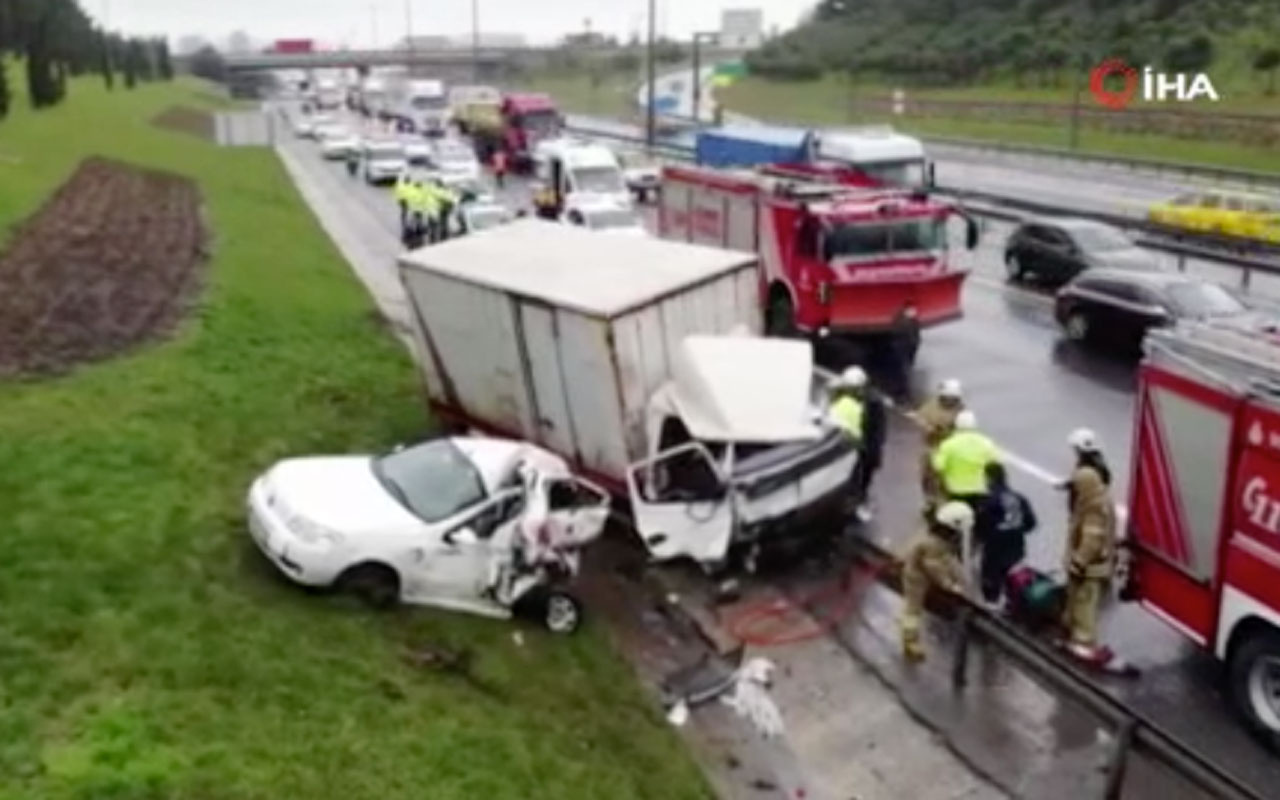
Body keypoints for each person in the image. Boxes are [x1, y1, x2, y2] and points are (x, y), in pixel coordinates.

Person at [900, 501, 972, 663]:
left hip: (921, 573)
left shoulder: (937, 539)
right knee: (913, 609)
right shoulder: (933, 545)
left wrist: (960, 578)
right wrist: (949, 585)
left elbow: (947, 559)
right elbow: (935, 567)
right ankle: (910, 641)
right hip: (916, 578)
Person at [1061, 465, 1118, 660]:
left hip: (1090, 567)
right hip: (1092, 566)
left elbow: (1091, 541)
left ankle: (1084, 642)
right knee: (1079, 603)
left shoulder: (1093, 508)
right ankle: (1076, 636)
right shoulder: (1097, 500)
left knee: (1084, 604)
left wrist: (1077, 563)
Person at [976, 462, 1037, 608]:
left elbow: (980, 527)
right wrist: (1016, 531)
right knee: (1015, 581)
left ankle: (992, 609)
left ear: (988, 479)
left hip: (995, 551)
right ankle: (1014, 608)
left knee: (991, 584)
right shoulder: (1020, 498)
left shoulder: (988, 502)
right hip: (1017, 547)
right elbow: (1031, 523)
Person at [835, 366, 887, 522]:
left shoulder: (873, 402)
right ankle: (850, 503)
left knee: (862, 479)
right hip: (851, 444)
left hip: (866, 446)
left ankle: (857, 503)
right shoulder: (844, 399)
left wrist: (871, 449)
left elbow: (878, 429)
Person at [910, 378, 965, 507]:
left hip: (951, 449)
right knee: (927, 477)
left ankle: (946, 501)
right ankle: (930, 501)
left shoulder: (961, 410)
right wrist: (929, 428)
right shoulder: (931, 406)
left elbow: (964, 427)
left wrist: (950, 430)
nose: (951, 402)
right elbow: (920, 419)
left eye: (954, 399)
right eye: (948, 398)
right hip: (931, 446)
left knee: (946, 478)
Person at [932, 410, 1000, 514]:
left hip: (955, 490)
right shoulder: (986, 443)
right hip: (980, 489)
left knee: (957, 519)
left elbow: (938, 466)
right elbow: (996, 464)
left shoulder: (948, 444)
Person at [826, 366, 865, 515]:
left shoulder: (837, 404)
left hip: (839, 445)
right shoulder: (855, 407)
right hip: (850, 447)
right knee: (853, 479)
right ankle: (850, 506)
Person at [1058, 428, 1112, 511]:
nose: (1075, 451)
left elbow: (1083, 481)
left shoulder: (1089, 464)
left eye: (1076, 448)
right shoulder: (1093, 460)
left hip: (1085, 510)